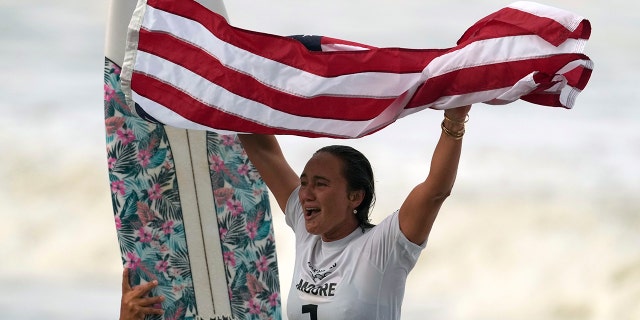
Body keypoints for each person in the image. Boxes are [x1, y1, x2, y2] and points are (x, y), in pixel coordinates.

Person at [120, 105, 471, 319]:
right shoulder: (307, 230)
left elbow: (435, 189)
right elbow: (265, 150)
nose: (305, 194)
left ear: (355, 197)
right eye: (304, 182)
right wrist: (230, 90)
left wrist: (454, 122)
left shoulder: (384, 246)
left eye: (320, 183)